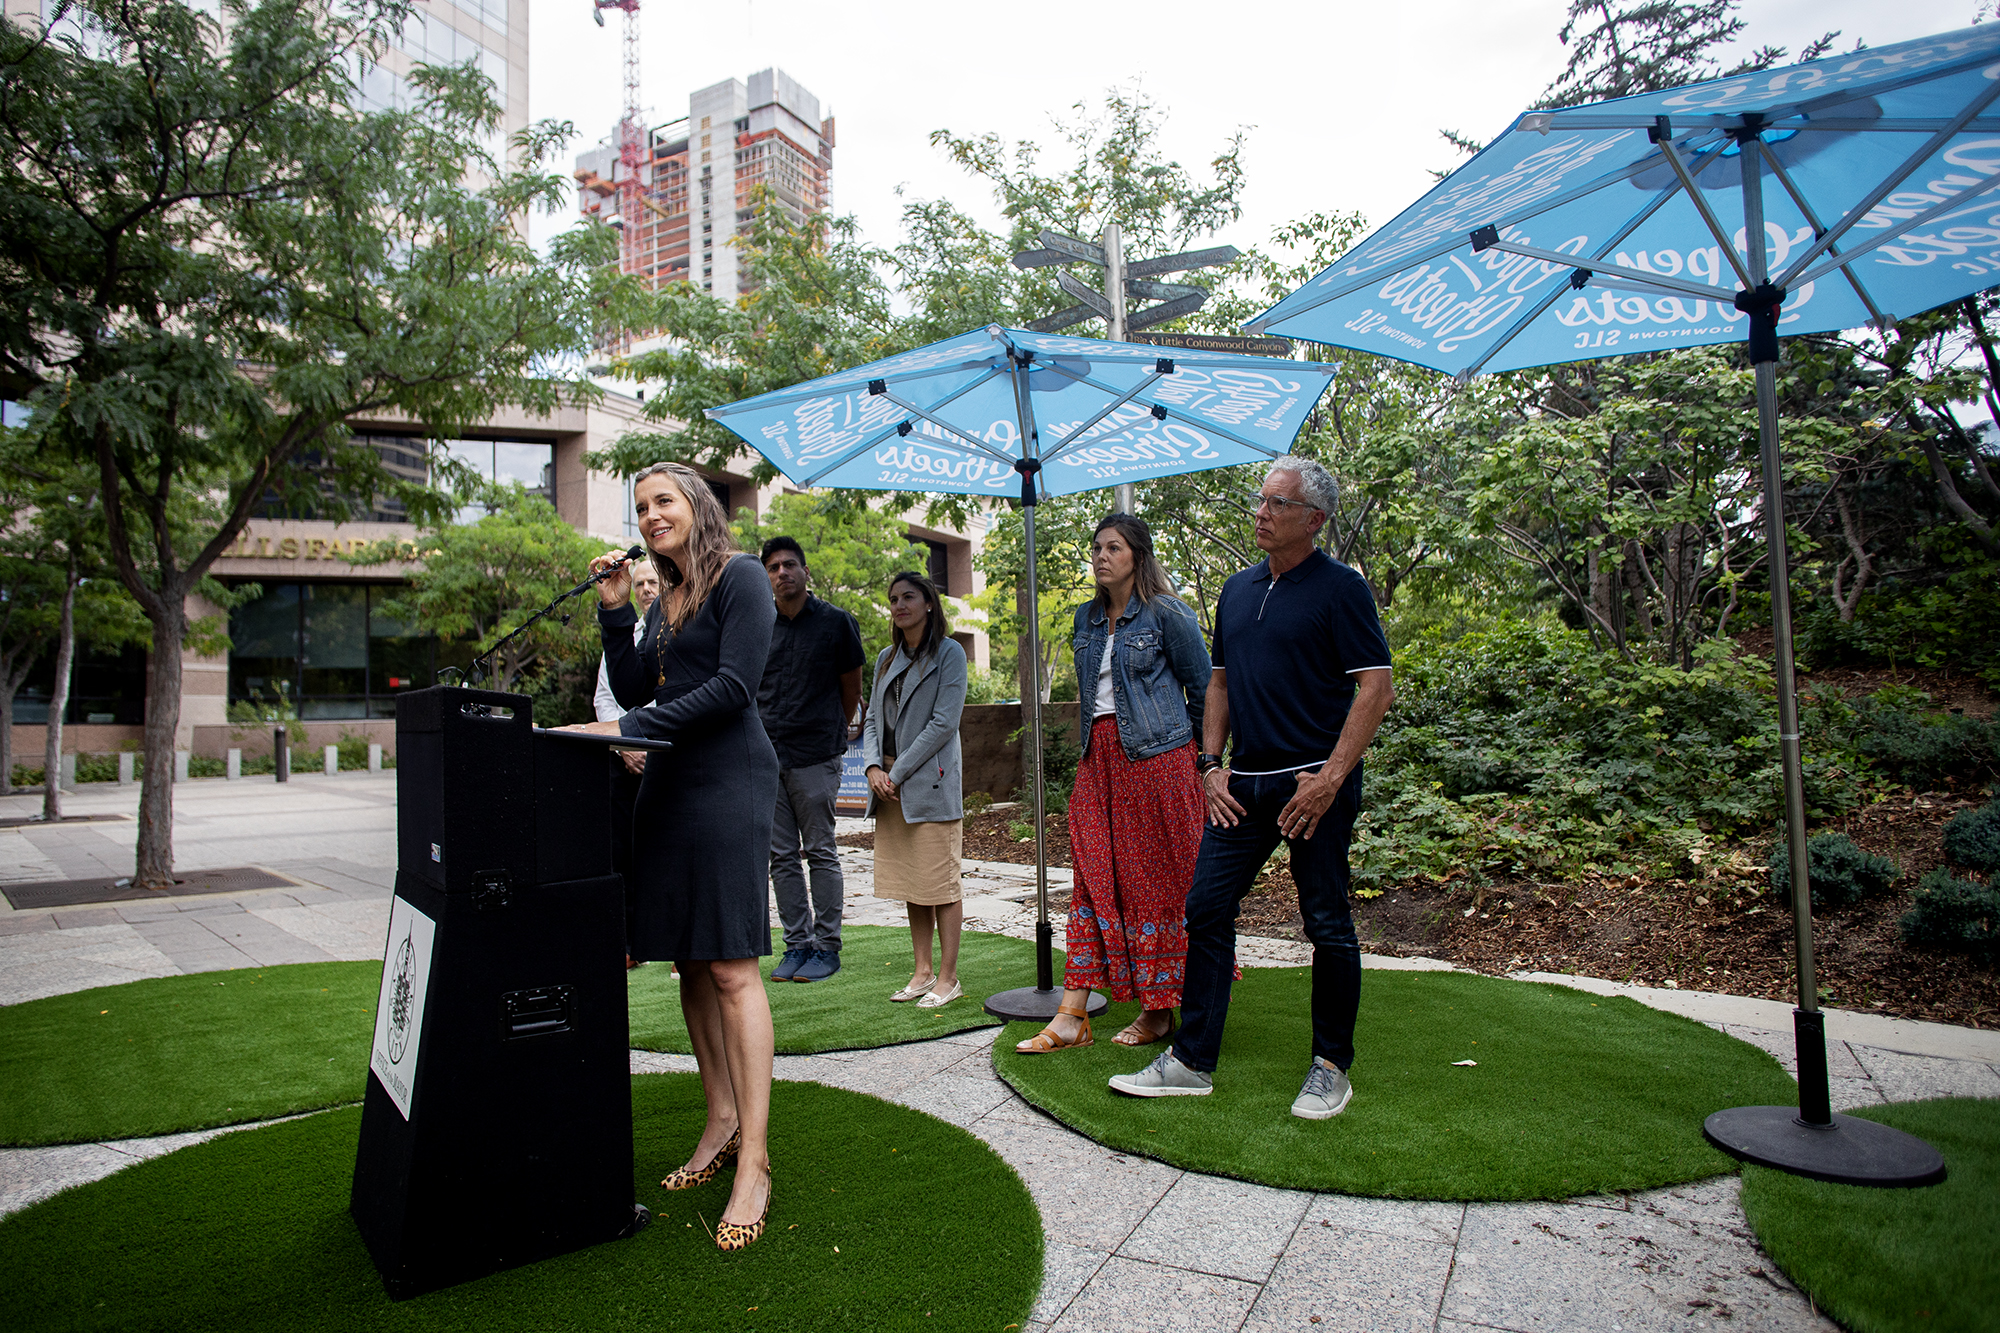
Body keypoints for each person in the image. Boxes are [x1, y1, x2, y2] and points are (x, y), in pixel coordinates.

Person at [1110, 457, 1395, 1123]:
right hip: (1243, 784)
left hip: (1309, 786)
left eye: (1277, 503)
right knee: (1205, 908)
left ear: (1314, 520)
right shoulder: (1236, 590)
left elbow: (1375, 688)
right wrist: (1209, 765)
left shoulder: (1341, 589)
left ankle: (1330, 1066)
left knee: (1325, 921)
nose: (1260, 512)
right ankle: (1191, 1061)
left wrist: (1331, 777)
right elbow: (1220, 682)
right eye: (1260, 500)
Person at [568, 461, 778, 1250]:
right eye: (641, 506)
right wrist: (616, 612)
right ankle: (719, 1117)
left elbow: (733, 688)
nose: (650, 515)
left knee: (729, 964)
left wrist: (629, 732)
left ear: (696, 505)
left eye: (663, 501)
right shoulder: (667, 596)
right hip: (668, 785)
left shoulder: (741, 578)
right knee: (690, 963)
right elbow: (631, 687)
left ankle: (754, 1158)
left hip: (727, 781)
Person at [1016, 513, 1210, 1054]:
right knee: (1092, 879)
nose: (1101, 556)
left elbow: (1206, 689)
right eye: (1096, 547)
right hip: (1097, 763)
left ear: (1138, 556)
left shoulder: (1167, 613)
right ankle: (1073, 1015)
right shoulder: (1086, 619)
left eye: (1113, 547)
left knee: (1157, 886)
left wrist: (1193, 759)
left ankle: (1158, 1011)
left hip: (1159, 763)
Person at [757, 536, 864, 984]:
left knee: (819, 851)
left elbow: (851, 689)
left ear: (805, 572)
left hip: (815, 755)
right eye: (774, 567)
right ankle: (797, 945)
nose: (782, 573)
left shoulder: (837, 623)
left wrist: (832, 735)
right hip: (767, 755)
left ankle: (827, 947)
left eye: (789, 565)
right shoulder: (759, 624)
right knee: (780, 856)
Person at [860, 571, 968, 1009]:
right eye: (893, 599)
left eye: (909, 596)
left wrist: (896, 773)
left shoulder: (950, 652)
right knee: (912, 883)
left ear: (928, 603)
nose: (899, 604)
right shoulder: (886, 656)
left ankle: (948, 976)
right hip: (887, 784)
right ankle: (922, 971)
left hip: (927, 783)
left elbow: (943, 723)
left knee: (939, 882)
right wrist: (871, 767)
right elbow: (870, 720)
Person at [595, 561, 662, 973]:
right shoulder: (624, 635)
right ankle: (630, 942)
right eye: (640, 583)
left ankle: (675, 943)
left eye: (653, 581)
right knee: (623, 851)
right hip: (623, 757)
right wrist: (624, 746)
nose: (647, 589)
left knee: (665, 850)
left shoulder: (674, 629)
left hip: (663, 754)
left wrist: (644, 743)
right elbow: (605, 697)